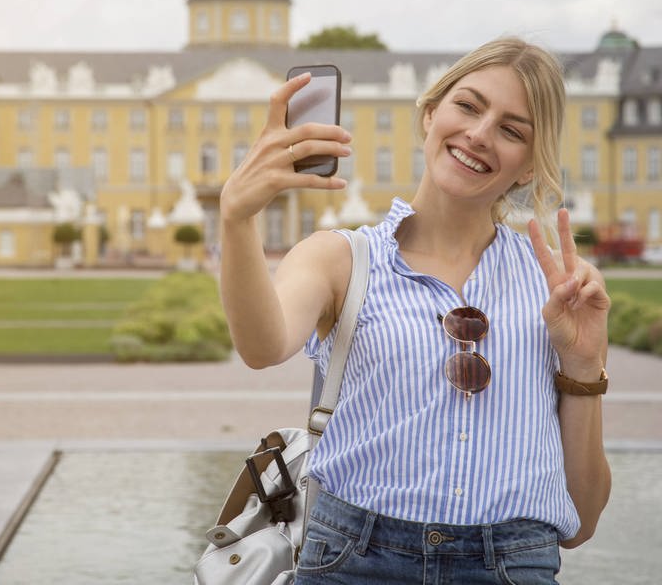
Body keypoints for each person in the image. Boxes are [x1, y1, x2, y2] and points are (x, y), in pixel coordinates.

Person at [218, 37, 611, 584]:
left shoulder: (556, 290)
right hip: (352, 561)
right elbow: (261, 347)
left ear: (527, 168)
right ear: (430, 114)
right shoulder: (341, 259)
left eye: (512, 129)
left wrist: (584, 362)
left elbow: (582, 519)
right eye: (468, 106)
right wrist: (237, 219)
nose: (479, 134)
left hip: (512, 565)